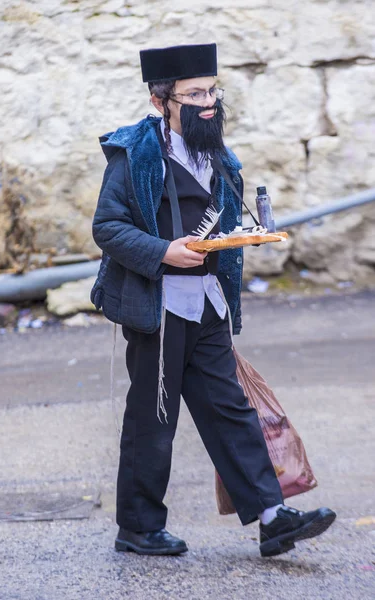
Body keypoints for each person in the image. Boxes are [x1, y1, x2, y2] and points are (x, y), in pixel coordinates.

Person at [91, 43, 336, 558]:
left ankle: (273, 517)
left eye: (212, 90)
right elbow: (107, 227)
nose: (208, 103)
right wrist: (163, 251)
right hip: (157, 308)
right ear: (162, 101)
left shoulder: (219, 154)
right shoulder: (133, 152)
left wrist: (244, 235)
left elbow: (222, 226)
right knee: (153, 421)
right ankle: (137, 527)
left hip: (207, 303)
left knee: (231, 410)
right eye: (195, 93)